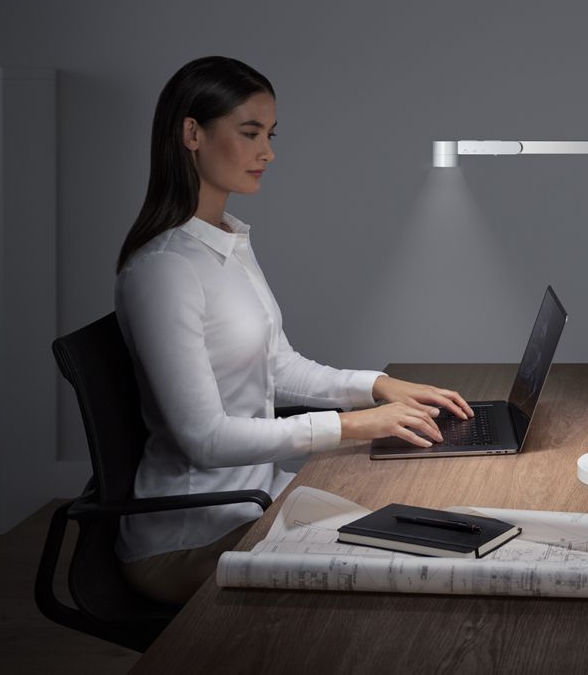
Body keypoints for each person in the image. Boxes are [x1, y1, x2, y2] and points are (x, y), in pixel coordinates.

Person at [113, 56, 472, 604]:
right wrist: (352, 427)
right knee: (404, 574)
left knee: (427, 520)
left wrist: (378, 387)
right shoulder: (163, 270)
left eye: (270, 134)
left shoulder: (226, 241)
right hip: (190, 539)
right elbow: (203, 439)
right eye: (250, 133)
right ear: (192, 133)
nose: (268, 152)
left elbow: (276, 366)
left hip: (260, 499)